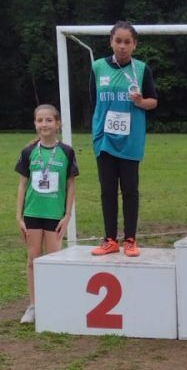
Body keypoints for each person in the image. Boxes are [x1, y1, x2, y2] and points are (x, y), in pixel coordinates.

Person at [90, 21, 158, 257]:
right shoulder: (98, 67)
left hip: (130, 140)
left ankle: (130, 239)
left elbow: (153, 101)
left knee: (130, 189)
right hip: (105, 140)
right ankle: (110, 239)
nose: (122, 46)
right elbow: (94, 101)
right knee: (107, 190)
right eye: (118, 41)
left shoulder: (141, 69)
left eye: (127, 42)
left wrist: (140, 102)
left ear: (134, 45)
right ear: (111, 41)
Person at [15, 104, 79, 323]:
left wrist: (67, 215)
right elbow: (22, 185)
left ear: (57, 123)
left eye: (49, 120)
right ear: (35, 124)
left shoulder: (67, 152)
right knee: (33, 259)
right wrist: (19, 216)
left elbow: (71, 186)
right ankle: (34, 306)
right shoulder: (28, 152)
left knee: (53, 260)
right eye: (40, 120)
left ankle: (55, 303)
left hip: (55, 215)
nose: (44, 124)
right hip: (32, 213)